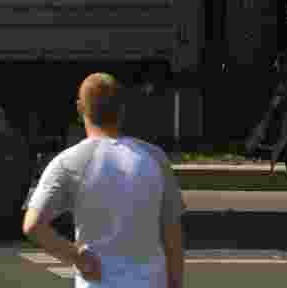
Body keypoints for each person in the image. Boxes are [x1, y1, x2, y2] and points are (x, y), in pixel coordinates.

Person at [23, 72, 186, 288]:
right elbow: (172, 232)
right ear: (122, 110)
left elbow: (33, 226)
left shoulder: (68, 162)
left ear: (80, 109)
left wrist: (77, 257)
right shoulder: (155, 157)